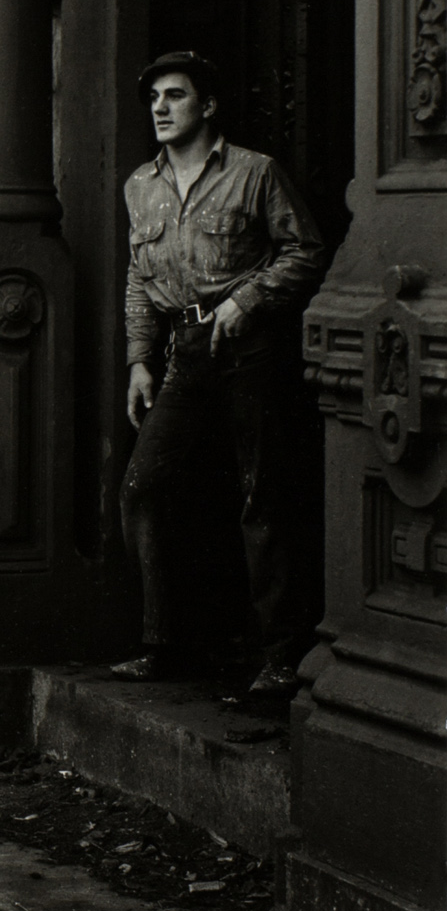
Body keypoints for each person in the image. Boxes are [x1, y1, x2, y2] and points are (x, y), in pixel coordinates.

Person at [114, 51, 325, 696]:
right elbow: (138, 278)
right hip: (183, 352)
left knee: (262, 498)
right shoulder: (139, 187)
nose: (159, 107)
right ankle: (164, 643)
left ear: (207, 106)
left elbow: (306, 250)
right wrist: (139, 360)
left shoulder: (254, 173)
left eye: (174, 96)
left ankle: (282, 656)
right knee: (144, 488)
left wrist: (246, 299)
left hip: (250, 348)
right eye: (153, 97)